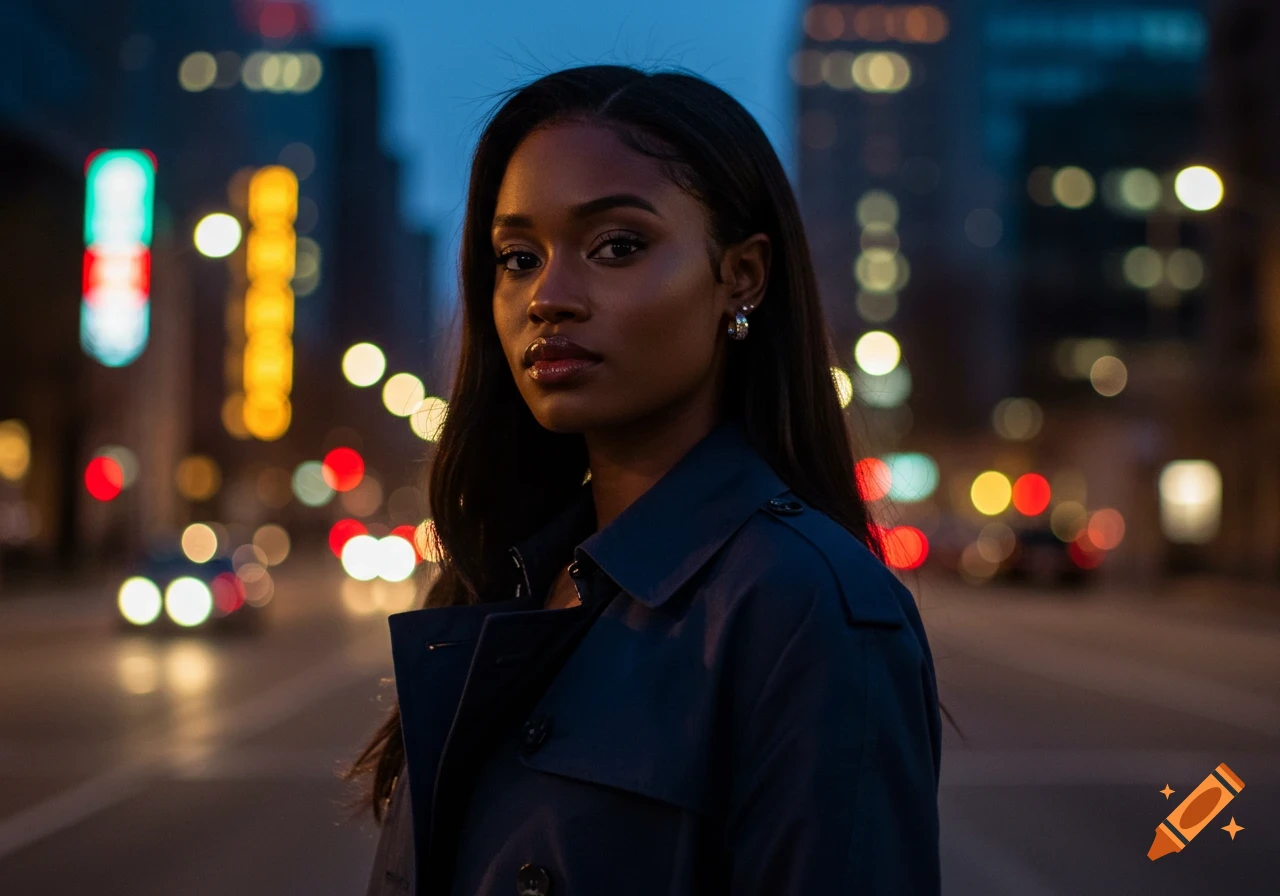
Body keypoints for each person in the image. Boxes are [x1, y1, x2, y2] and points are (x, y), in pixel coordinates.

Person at [345, 62, 943, 896]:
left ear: (741, 276)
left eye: (616, 246)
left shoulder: (807, 606)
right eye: (517, 256)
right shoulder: (508, 575)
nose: (547, 297)